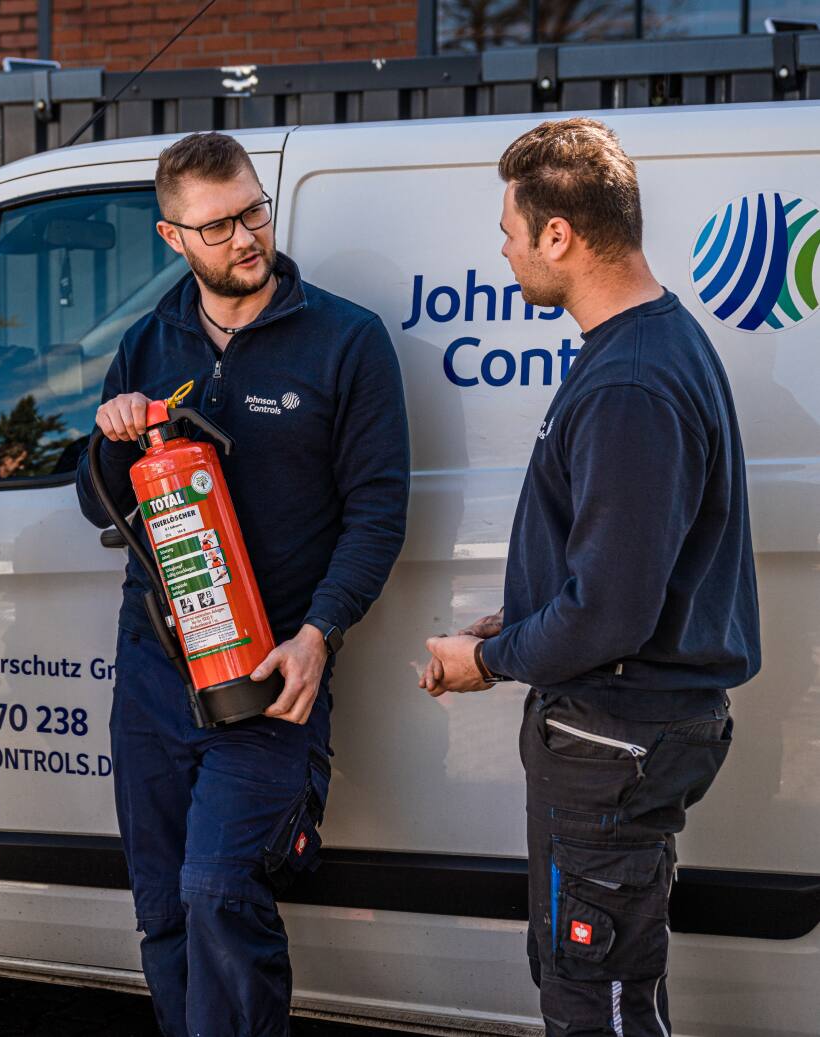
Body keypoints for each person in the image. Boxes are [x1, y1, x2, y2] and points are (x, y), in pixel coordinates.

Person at [421, 118, 760, 1037]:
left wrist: (484, 662)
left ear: (558, 234)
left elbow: (611, 609)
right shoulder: (643, 346)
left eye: (510, 231)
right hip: (617, 730)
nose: (503, 249)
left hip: (613, 736)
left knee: (593, 999)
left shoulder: (630, 383)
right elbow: (617, 563)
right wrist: (517, 621)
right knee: (606, 988)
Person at [75, 132, 409, 1037]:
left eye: (253, 210)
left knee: (220, 888)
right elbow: (95, 501)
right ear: (171, 237)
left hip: (271, 668)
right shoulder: (147, 342)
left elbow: (378, 513)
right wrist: (112, 433)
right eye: (216, 225)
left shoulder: (345, 340)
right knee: (164, 907)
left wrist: (320, 633)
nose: (245, 237)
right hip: (156, 671)